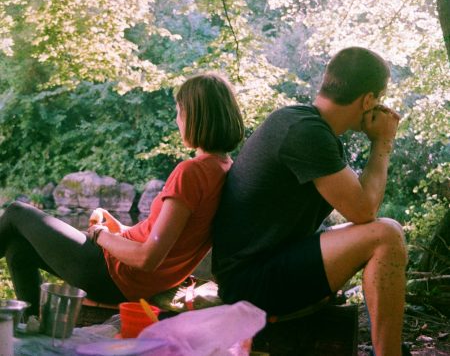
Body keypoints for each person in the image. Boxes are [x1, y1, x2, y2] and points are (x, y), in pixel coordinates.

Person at [212, 47, 407, 356]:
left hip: (267, 266)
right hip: (251, 283)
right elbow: (364, 210)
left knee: (384, 233)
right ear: (369, 100)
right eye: (379, 99)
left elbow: (361, 204)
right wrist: (383, 142)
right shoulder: (305, 132)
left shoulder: (306, 125)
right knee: (387, 235)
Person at [0, 73, 244, 316]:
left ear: (195, 117)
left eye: (179, 113)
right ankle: (28, 324)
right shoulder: (223, 168)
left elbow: (147, 258)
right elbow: (162, 237)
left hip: (116, 275)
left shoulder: (192, 172)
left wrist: (100, 235)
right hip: (126, 273)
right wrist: (120, 230)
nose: (177, 120)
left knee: (16, 212)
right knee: (18, 250)